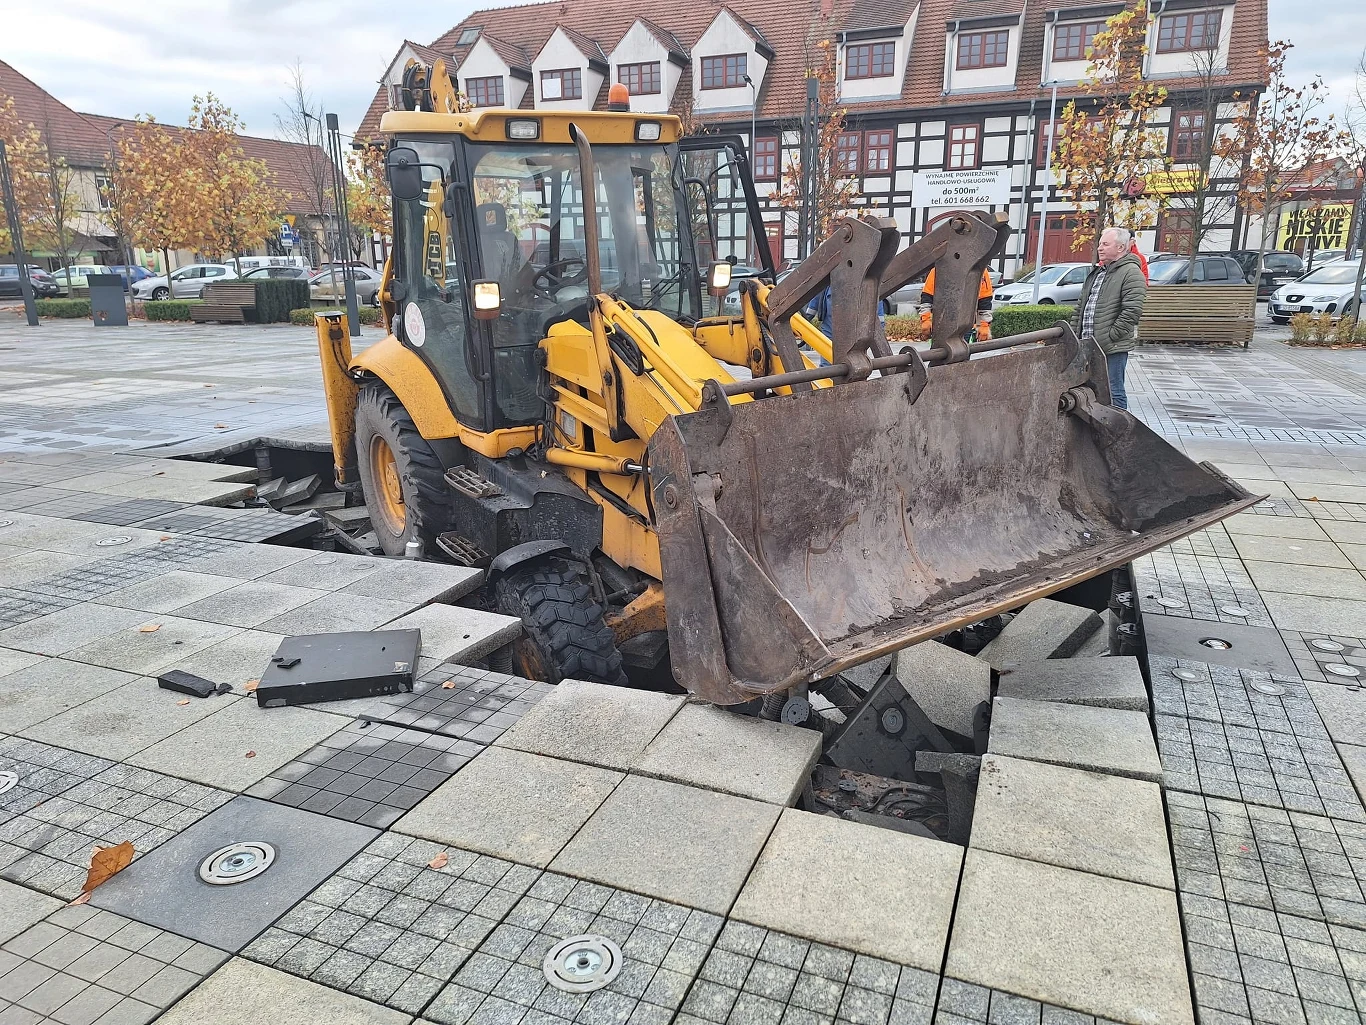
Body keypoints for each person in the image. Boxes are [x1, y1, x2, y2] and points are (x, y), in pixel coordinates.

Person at [1071, 226, 1147, 410]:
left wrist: (1111, 336)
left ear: (1120, 247)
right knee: (1091, 391)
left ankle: (1120, 427)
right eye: (1100, 244)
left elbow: (1132, 311)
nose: (1100, 248)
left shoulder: (1131, 272)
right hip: (1088, 344)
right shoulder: (1098, 272)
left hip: (1112, 347)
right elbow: (1081, 306)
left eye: (1105, 244)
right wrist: (1073, 334)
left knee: (1114, 391)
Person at [918, 266, 995, 340]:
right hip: (941, 324)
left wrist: (984, 325)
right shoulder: (939, 269)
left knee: (961, 346)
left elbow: (984, 299)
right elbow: (927, 296)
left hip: (964, 325)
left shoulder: (980, 270)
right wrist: (926, 320)